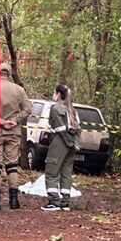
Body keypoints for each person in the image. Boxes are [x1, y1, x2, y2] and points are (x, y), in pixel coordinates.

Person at [0, 62, 31, 211]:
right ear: (9, 74)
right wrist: (14, 120)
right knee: (12, 166)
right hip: (14, 132)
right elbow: (28, 109)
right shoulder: (19, 90)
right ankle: (14, 201)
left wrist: (1, 122)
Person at [41, 84, 79, 212]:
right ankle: (65, 202)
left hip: (60, 142)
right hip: (71, 144)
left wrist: (68, 142)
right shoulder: (72, 109)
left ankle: (54, 201)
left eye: (54, 92)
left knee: (52, 170)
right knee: (66, 172)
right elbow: (78, 129)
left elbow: (59, 128)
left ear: (58, 94)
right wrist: (75, 143)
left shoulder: (56, 108)